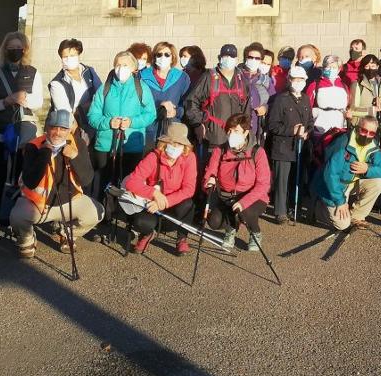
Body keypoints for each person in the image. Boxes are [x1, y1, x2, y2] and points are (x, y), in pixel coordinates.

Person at [10, 108, 100, 259]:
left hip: (69, 201)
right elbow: (31, 182)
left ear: (70, 129)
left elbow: (87, 179)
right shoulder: (33, 146)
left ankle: (67, 234)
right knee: (17, 217)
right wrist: (45, 154)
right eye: (54, 127)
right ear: (47, 128)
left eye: (63, 128)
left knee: (96, 212)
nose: (58, 132)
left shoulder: (78, 144)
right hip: (39, 204)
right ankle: (27, 239)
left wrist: (75, 156)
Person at [0, 31, 43, 238]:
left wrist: (24, 99)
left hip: (22, 131)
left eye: (19, 48)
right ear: (4, 50)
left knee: (19, 177)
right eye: (11, 48)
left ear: (25, 50)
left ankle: (13, 219)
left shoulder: (33, 72)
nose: (15, 51)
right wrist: (6, 101)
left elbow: (38, 102)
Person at [87, 50, 158, 202]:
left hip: (131, 145)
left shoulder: (141, 88)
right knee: (103, 181)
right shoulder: (104, 88)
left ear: (134, 68)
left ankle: (126, 214)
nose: (121, 68)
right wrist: (108, 122)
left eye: (125, 65)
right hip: (105, 145)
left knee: (128, 182)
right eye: (118, 65)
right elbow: (92, 116)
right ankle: (102, 211)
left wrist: (132, 122)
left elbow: (150, 114)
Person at [121, 122, 198, 254]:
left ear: (185, 146)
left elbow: (189, 188)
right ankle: (147, 234)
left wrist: (165, 201)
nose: (176, 147)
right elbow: (131, 182)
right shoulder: (153, 156)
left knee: (188, 204)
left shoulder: (190, 158)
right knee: (140, 222)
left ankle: (182, 238)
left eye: (180, 144)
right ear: (165, 142)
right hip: (151, 203)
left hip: (173, 204)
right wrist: (155, 194)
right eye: (172, 142)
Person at [202, 114, 271, 252]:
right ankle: (231, 229)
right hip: (226, 196)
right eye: (229, 131)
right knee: (214, 221)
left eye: (236, 131)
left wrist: (243, 202)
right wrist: (209, 180)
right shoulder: (219, 150)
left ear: (246, 132)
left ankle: (255, 232)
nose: (231, 134)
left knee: (243, 211)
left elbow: (263, 185)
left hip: (253, 197)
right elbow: (210, 171)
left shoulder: (258, 152)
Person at [312, 115, 381, 233]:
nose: (367, 135)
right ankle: (317, 209)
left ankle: (356, 216)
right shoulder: (342, 143)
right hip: (333, 186)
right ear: (358, 128)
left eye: (371, 133)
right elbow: (330, 175)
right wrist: (340, 202)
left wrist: (367, 169)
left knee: (378, 183)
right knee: (342, 225)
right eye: (364, 130)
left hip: (352, 182)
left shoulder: (373, 145)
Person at [183, 43, 251, 161]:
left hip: (235, 139)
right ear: (219, 58)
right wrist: (197, 124)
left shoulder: (241, 80)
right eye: (225, 56)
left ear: (236, 60)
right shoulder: (208, 77)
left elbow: (246, 108)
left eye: (232, 57)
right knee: (209, 173)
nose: (228, 59)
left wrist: (245, 131)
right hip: (212, 138)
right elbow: (191, 101)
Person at [265, 66, 313, 222]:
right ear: (289, 80)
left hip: (300, 146)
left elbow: (310, 121)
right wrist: (291, 130)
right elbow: (272, 125)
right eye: (294, 79)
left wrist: (307, 131)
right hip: (283, 146)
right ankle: (280, 212)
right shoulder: (281, 99)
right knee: (282, 181)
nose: (297, 82)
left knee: (296, 180)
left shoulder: (305, 98)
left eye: (301, 80)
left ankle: (294, 207)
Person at [48, 38, 102, 145]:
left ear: (78, 55)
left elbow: (101, 93)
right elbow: (65, 112)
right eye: (65, 57)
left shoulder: (89, 71)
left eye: (72, 55)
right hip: (77, 124)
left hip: (96, 119)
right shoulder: (57, 83)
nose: (69, 59)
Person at [141, 42, 189, 147]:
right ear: (154, 57)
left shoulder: (182, 78)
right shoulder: (142, 77)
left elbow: (187, 104)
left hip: (173, 130)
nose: (163, 57)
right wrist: (158, 106)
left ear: (173, 58)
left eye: (167, 54)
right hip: (149, 129)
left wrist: (176, 111)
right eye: (159, 54)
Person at [307, 54, 350, 152]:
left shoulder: (344, 86)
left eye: (334, 67)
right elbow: (307, 107)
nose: (331, 69)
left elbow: (348, 105)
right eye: (328, 66)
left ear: (339, 69)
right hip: (320, 127)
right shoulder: (315, 85)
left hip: (339, 127)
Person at [347, 54, 381, 140]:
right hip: (362, 127)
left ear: (377, 66)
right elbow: (352, 109)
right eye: (367, 66)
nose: (370, 69)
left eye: (373, 66)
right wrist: (372, 110)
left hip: (378, 126)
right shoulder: (357, 84)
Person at [244, 44, 274, 143]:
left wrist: (265, 108)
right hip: (238, 126)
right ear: (245, 58)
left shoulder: (266, 80)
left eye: (257, 58)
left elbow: (273, 101)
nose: (253, 60)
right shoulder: (237, 76)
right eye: (250, 57)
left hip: (257, 126)